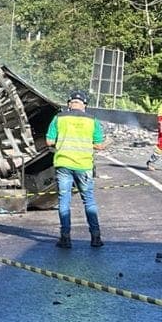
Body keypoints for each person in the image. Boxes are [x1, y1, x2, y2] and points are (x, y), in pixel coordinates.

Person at [45, 90, 108, 248]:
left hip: (63, 165)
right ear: (84, 105)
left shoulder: (59, 118)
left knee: (64, 202)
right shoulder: (92, 121)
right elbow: (99, 145)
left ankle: (65, 237)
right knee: (89, 201)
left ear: (69, 104)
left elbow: (49, 142)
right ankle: (95, 237)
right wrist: (107, 143)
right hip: (84, 166)